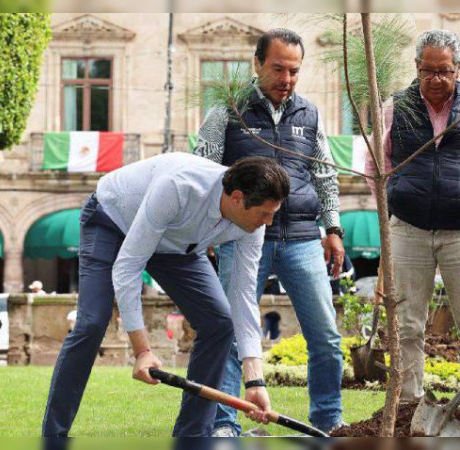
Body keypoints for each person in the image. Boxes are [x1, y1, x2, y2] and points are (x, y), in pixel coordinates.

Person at [42, 153, 289, 437]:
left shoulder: (251, 222)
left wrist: (255, 380)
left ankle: (192, 437)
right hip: (112, 220)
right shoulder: (178, 186)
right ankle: (54, 436)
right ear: (236, 197)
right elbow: (128, 266)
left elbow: (243, 294)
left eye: (273, 214)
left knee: (219, 323)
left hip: (176, 245)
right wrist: (142, 351)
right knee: (92, 323)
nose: (269, 223)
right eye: (265, 214)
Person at [194, 28, 345, 435]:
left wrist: (332, 228)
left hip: (300, 238)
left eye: (294, 71)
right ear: (257, 63)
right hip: (240, 238)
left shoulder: (309, 114)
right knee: (229, 334)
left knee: (326, 337)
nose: (287, 79)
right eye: (278, 68)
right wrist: (208, 231)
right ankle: (225, 424)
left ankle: (329, 421)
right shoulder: (228, 110)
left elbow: (325, 174)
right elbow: (203, 168)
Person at [365, 29, 460, 407]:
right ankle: (409, 402)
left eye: (444, 71)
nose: (436, 79)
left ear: (457, 69)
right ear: (416, 67)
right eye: (428, 70)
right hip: (408, 230)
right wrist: (391, 209)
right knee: (406, 324)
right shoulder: (396, 106)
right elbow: (374, 165)